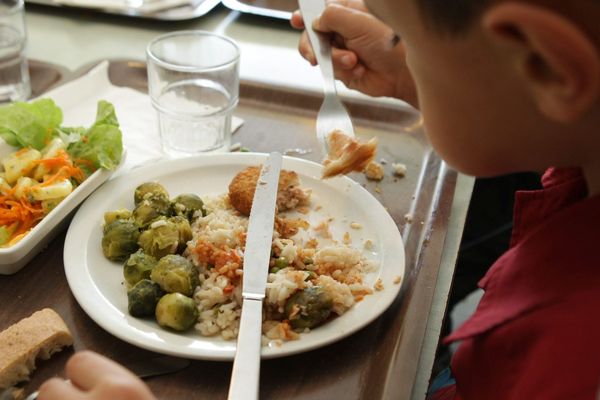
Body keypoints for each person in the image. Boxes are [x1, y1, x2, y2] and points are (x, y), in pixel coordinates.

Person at [292, 0, 600, 399]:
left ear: (546, 64)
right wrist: (410, 73)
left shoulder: (562, 369)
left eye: (403, 38)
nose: (400, 49)